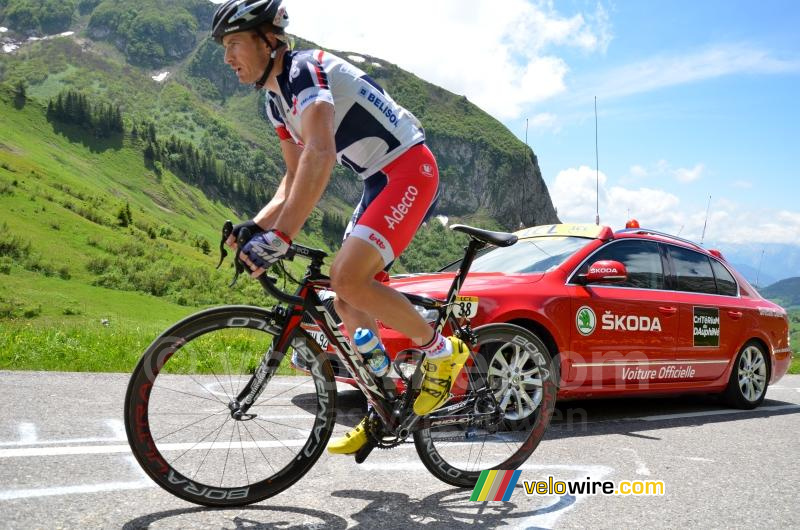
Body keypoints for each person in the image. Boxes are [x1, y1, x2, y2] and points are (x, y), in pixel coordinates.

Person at [211, 0, 469, 455]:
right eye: (224, 48)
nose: (228, 57)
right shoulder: (276, 101)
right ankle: (385, 398)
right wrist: (257, 225)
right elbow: (292, 178)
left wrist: (282, 235)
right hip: (376, 181)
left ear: (269, 40)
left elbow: (321, 154)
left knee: (350, 277)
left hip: (409, 169)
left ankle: (441, 353)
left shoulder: (304, 72)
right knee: (345, 299)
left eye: (234, 44)